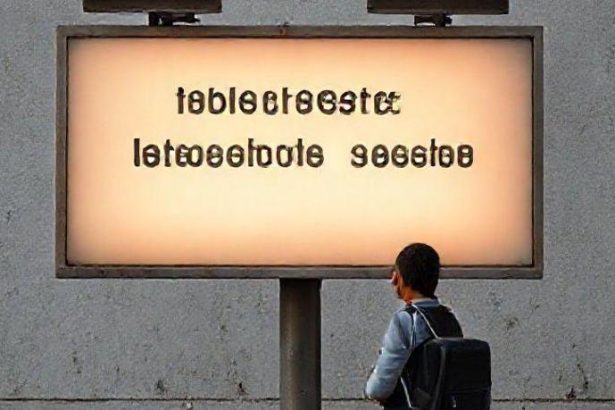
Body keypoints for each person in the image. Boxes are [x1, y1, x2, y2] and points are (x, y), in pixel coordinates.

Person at [364, 243, 463, 409]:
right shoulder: (449, 318)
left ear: (400, 278)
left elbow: (378, 389)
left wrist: (371, 386)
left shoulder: (405, 320)